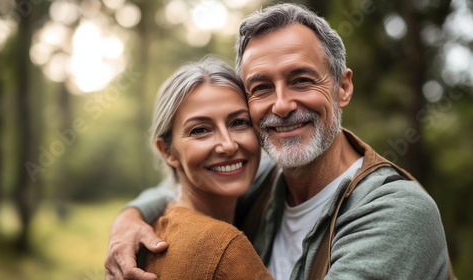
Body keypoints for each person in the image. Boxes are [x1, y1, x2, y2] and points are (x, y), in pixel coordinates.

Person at [105, 3, 452, 280]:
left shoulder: (395, 213)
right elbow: (187, 183)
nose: (282, 105)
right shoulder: (260, 176)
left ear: (342, 88)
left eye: (301, 80)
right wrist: (128, 222)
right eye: (261, 87)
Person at [117, 56, 273, 279]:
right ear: (167, 152)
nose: (228, 146)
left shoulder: (156, 230)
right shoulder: (226, 249)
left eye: (239, 122)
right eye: (200, 130)